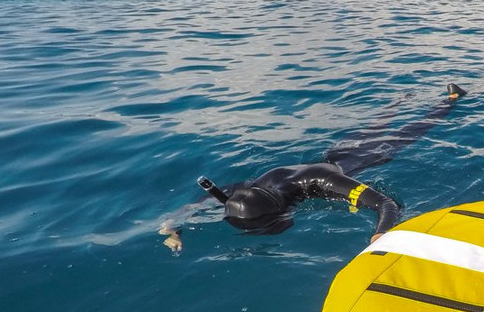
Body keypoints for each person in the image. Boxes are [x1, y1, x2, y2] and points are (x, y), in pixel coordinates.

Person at [160, 83, 467, 254]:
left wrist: (381, 234)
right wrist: (171, 229)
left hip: (349, 163)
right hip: (332, 153)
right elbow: (194, 205)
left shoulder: (322, 182)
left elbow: (386, 203)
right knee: (375, 128)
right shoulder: (234, 193)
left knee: (407, 132)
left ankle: (451, 99)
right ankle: (402, 98)